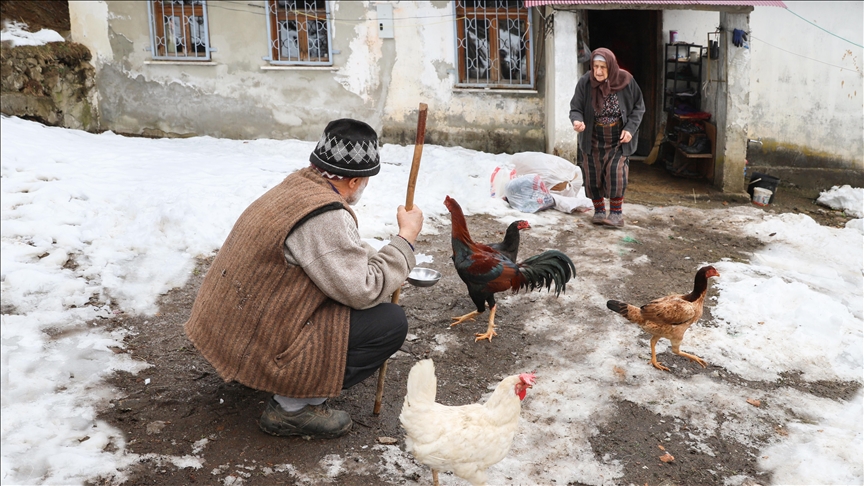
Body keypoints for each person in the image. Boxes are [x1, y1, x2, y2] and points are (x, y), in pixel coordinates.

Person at [184, 118, 424, 439]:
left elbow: (342, 250)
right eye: (366, 180)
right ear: (355, 181)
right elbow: (362, 290)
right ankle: (291, 409)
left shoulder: (297, 187)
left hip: (228, 333)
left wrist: (389, 264)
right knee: (389, 322)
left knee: (347, 302)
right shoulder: (324, 215)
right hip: (252, 343)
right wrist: (405, 241)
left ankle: (264, 376)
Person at [569, 47, 645, 228]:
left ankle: (616, 214)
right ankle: (599, 211)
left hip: (618, 138)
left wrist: (630, 129)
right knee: (593, 175)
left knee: (616, 172)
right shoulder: (585, 82)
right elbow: (576, 108)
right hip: (593, 137)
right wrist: (577, 121)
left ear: (611, 66)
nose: (598, 71)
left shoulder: (626, 80)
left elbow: (639, 107)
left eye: (603, 67)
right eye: (595, 66)